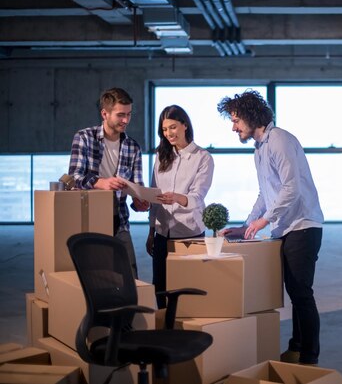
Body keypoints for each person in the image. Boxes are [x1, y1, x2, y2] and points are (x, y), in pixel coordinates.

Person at [217, 90, 324, 365]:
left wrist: (264, 221)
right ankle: (297, 348)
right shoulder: (260, 149)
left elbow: (292, 189)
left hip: (302, 225)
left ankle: (308, 357)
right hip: (285, 228)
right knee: (295, 293)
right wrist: (245, 226)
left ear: (252, 116)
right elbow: (266, 194)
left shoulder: (280, 140)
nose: (233, 127)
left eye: (236, 120)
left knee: (301, 293)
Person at [68, 87, 150, 278]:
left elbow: (137, 187)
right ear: (104, 113)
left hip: (119, 219)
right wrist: (99, 182)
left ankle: (131, 309)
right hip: (88, 217)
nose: (126, 120)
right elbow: (74, 178)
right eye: (121, 115)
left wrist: (140, 202)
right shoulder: (84, 138)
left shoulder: (133, 146)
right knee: (96, 277)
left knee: (130, 276)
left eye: (129, 114)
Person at [145, 105, 214, 308]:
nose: (168, 134)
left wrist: (177, 198)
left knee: (188, 288)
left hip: (189, 233)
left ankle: (186, 332)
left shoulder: (203, 157)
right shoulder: (161, 155)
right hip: (161, 233)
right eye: (164, 130)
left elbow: (197, 197)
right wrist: (151, 231)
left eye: (173, 127)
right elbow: (154, 193)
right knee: (160, 287)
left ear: (185, 125)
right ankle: (165, 332)